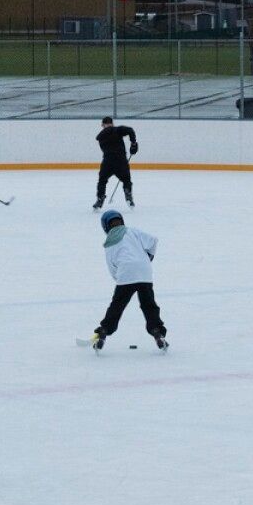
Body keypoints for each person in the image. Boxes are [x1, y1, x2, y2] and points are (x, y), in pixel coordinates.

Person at [90, 209, 167, 351]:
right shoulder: (133, 231)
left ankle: (104, 330)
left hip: (125, 275)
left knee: (117, 306)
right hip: (144, 272)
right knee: (149, 304)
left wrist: (119, 279)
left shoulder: (109, 243)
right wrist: (149, 257)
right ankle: (157, 331)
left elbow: (112, 266)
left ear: (105, 226)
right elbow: (153, 241)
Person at [92, 116, 139, 209]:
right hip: (120, 160)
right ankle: (128, 194)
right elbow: (130, 130)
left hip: (107, 161)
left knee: (102, 180)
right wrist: (133, 143)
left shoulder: (100, 136)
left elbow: (99, 138)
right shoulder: (117, 130)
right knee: (126, 180)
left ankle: (100, 199)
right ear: (112, 123)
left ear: (102, 125)